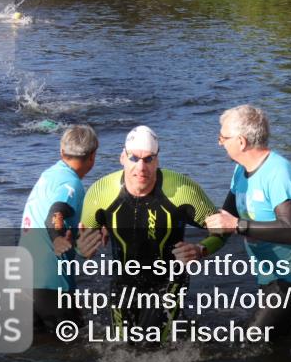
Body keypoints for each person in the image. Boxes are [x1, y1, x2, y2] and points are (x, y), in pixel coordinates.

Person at [78, 125, 223, 341]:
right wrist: (82, 250)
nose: (141, 167)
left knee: (152, 345)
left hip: (169, 281)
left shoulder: (182, 190)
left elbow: (222, 230)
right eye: (134, 158)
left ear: (157, 161)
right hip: (123, 281)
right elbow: (83, 244)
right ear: (122, 158)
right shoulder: (100, 193)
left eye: (148, 159)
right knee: (122, 347)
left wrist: (200, 249)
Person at [205, 105, 291, 337]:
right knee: (278, 340)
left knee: (252, 341)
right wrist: (199, 249)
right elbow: (226, 217)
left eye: (223, 138)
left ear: (241, 142)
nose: (220, 143)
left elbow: (290, 230)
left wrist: (237, 225)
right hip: (269, 273)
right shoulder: (240, 171)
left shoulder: (279, 172)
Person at [18, 124, 101, 333]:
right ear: (92, 157)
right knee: (76, 345)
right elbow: (55, 213)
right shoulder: (71, 184)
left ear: (61, 151)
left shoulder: (49, 175)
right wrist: (57, 238)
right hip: (51, 284)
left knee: (37, 348)